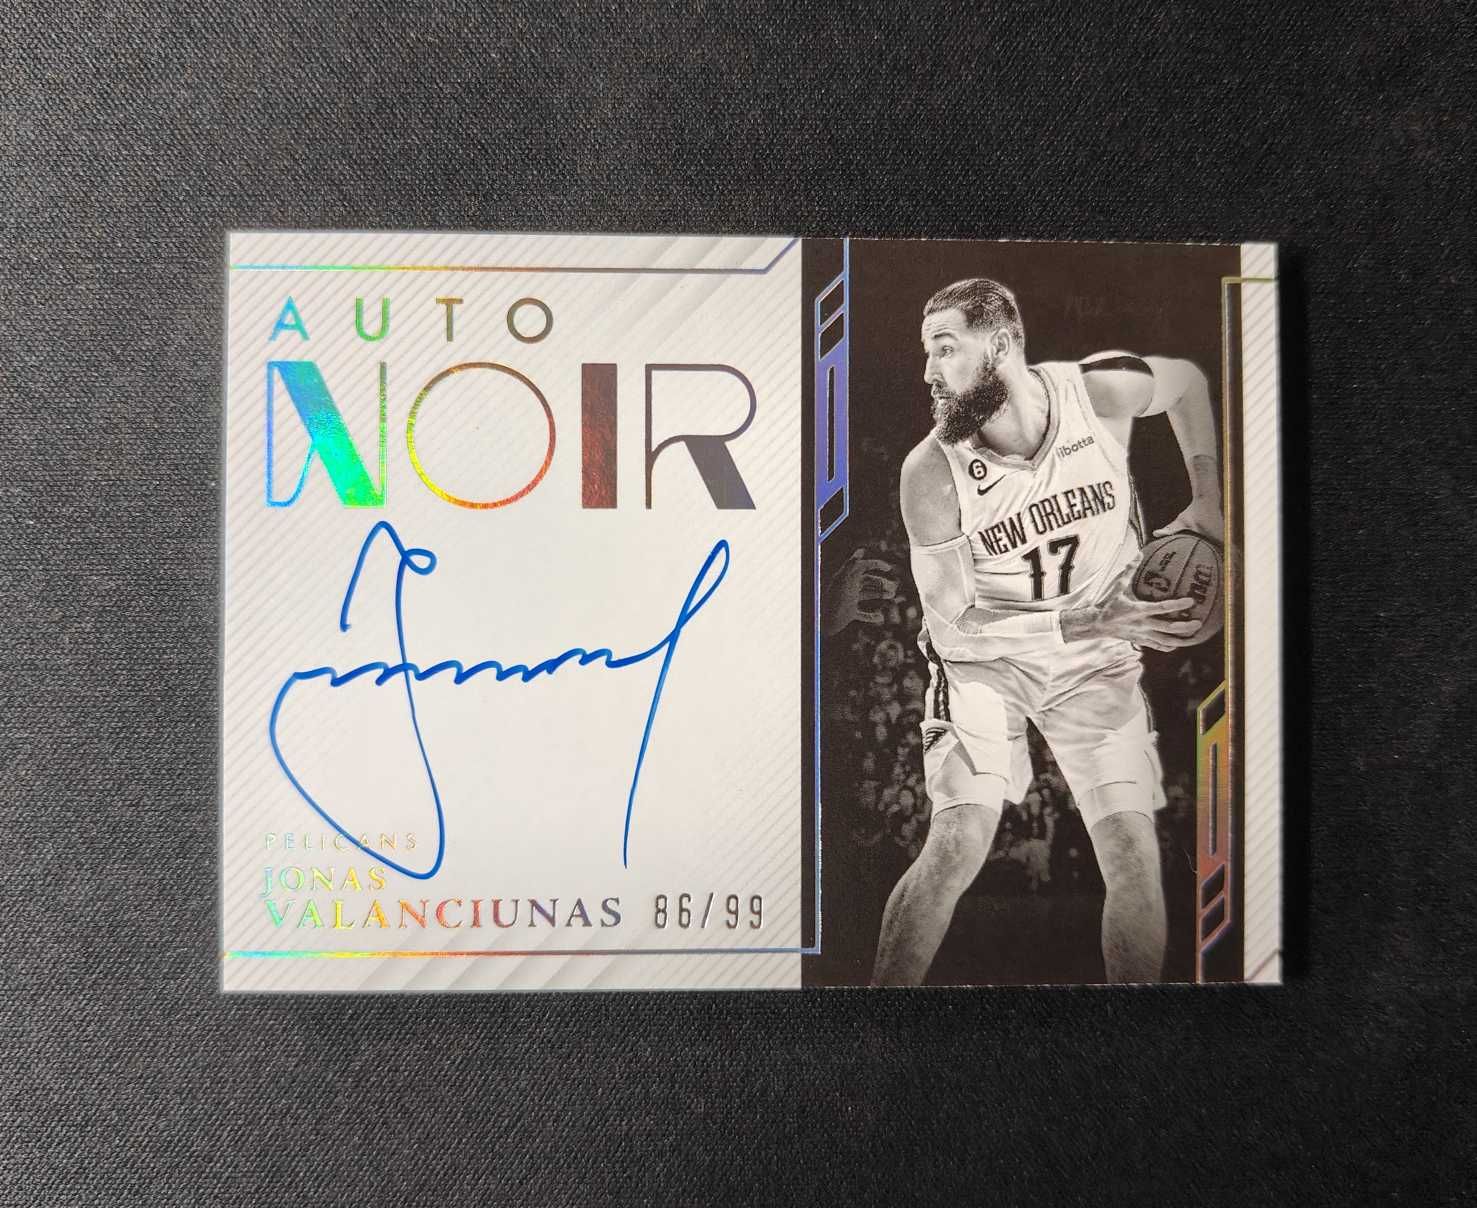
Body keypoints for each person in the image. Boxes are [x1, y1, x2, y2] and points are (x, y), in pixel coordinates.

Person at [871, 277, 1222, 985]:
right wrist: (1088, 619)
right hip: (987, 662)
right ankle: (875, 1016)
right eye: (927, 352)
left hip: (1093, 660)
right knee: (956, 842)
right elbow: (955, 626)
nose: (928, 371)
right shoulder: (931, 473)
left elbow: (1186, 384)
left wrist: (1208, 495)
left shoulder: (1098, 393)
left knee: (1132, 853)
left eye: (945, 348)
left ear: (1000, 344)